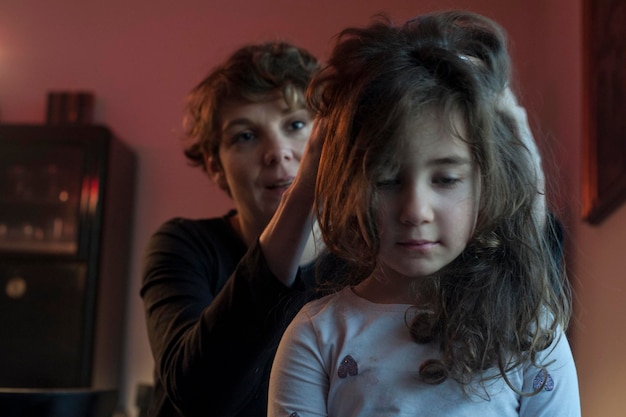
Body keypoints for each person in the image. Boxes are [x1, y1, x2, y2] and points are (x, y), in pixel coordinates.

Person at [268, 10, 579, 417]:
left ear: (488, 185)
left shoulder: (530, 333)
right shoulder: (316, 337)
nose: (415, 211)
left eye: (446, 179)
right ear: (351, 187)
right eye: (387, 180)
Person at [140, 41, 331, 417]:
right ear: (214, 165)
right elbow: (200, 395)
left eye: (295, 125)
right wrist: (304, 191)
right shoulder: (182, 245)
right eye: (246, 136)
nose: (277, 151)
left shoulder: (370, 258)